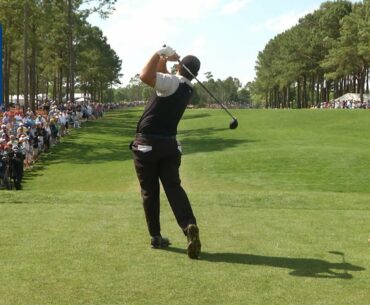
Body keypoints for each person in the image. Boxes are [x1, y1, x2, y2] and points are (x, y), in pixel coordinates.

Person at [130, 45, 202, 259]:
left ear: (180, 67)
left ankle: (156, 236)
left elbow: (146, 75)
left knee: (149, 191)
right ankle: (188, 225)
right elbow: (164, 77)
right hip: (169, 146)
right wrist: (169, 61)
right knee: (173, 187)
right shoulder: (187, 88)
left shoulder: (171, 83)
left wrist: (160, 53)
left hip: (147, 146)